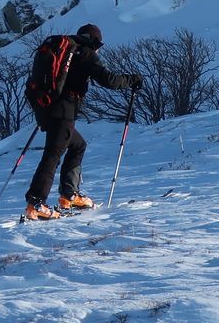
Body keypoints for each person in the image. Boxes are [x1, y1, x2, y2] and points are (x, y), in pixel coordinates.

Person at [23, 23, 141, 220]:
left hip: (48, 109)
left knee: (78, 145)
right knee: (52, 156)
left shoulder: (66, 49)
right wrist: (133, 79)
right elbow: (108, 80)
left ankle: (69, 195)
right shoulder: (85, 53)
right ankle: (36, 203)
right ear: (94, 41)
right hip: (63, 112)